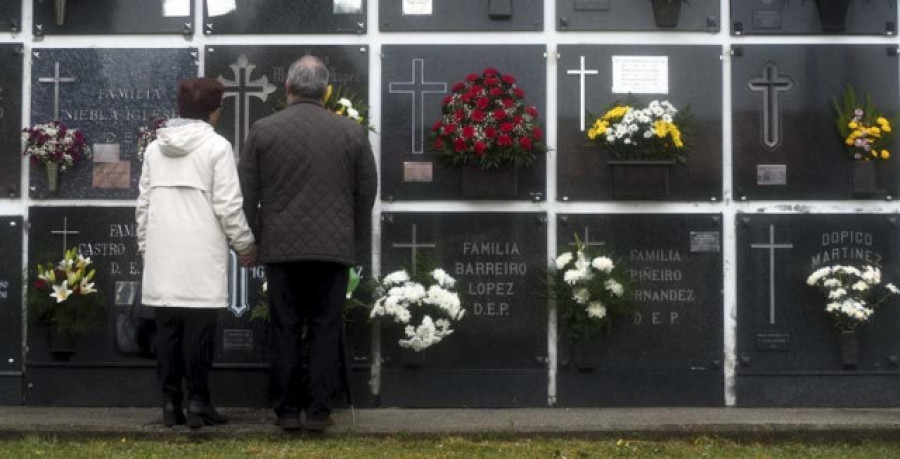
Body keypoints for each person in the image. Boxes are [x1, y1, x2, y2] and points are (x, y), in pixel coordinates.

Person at [239, 55, 377, 432]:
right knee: (325, 326)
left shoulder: (263, 131)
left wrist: (253, 241)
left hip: (281, 249)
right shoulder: (351, 132)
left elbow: (246, 195)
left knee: (284, 326)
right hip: (333, 249)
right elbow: (367, 192)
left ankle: (285, 410)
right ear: (326, 91)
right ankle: (318, 411)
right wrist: (355, 240)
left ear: (288, 88)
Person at [136, 78, 257, 429]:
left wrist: (147, 248)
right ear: (214, 112)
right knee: (199, 334)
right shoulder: (217, 147)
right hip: (202, 256)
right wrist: (246, 246)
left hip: (163, 254)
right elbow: (229, 207)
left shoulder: (154, 149)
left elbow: (143, 206)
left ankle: (169, 404)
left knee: (168, 332)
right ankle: (199, 402)